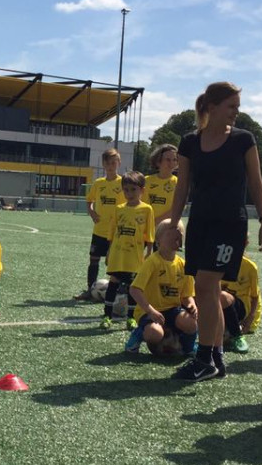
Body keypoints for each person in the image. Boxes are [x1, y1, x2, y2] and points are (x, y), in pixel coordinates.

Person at [166, 81, 262, 382]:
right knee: (208, 291)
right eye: (231, 106)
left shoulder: (243, 139)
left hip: (229, 224)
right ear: (212, 107)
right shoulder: (189, 142)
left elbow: (256, 181)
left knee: (206, 283)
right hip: (200, 222)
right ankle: (216, 359)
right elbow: (182, 187)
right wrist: (173, 225)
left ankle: (204, 358)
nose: (236, 112)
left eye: (238, 107)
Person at [125, 218, 198, 355]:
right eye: (170, 233)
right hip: (149, 311)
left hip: (173, 310)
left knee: (191, 323)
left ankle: (188, 348)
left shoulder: (184, 265)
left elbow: (187, 295)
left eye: (179, 234)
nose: (175, 237)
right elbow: (134, 289)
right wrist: (151, 311)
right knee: (154, 333)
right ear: (158, 240)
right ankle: (139, 333)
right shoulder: (152, 262)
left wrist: (192, 305)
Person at [98, 170, 155, 331]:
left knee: (132, 286)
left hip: (134, 255)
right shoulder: (119, 208)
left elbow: (150, 233)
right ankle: (107, 316)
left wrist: (149, 252)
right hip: (118, 254)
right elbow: (112, 232)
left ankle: (131, 318)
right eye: (126, 190)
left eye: (133, 190)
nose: (129, 193)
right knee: (113, 282)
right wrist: (109, 252)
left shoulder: (147, 209)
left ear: (142, 190)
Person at [76, 148, 124, 301]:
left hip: (116, 232)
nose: (110, 166)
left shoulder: (123, 182)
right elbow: (89, 200)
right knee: (94, 259)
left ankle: (117, 292)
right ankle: (90, 290)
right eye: (108, 163)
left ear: (119, 163)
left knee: (116, 263)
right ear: (103, 164)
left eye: (113, 163)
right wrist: (92, 212)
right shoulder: (98, 183)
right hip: (99, 230)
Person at [219, 251, 261, 353]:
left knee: (223, 296)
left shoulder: (250, 267)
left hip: (241, 307)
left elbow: (255, 296)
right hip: (221, 306)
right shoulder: (218, 261)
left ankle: (237, 335)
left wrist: (250, 318)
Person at [145, 143, 179, 224]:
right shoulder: (146, 181)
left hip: (167, 226)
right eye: (168, 160)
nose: (171, 163)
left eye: (174, 160)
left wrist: (156, 222)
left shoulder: (178, 182)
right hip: (146, 226)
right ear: (158, 161)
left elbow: (177, 208)